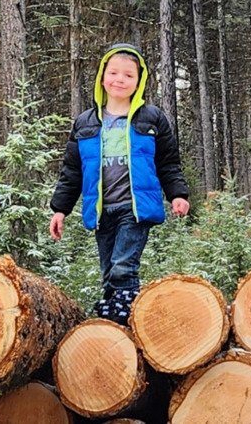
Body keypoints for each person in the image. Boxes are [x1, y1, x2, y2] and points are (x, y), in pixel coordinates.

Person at [49, 43, 190, 324]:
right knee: (108, 272)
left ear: (139, 81)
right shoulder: (85, 122)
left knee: (123, 267)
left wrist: (177, 194)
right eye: (113, 73)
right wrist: (59, 209)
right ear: (102, 77)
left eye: (128, 75)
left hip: (135, 208)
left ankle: (124, 320)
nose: (120, 80)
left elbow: (168, 162)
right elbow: (72, 171)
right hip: (102, 211)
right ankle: (113, 323)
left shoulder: (151, 118)